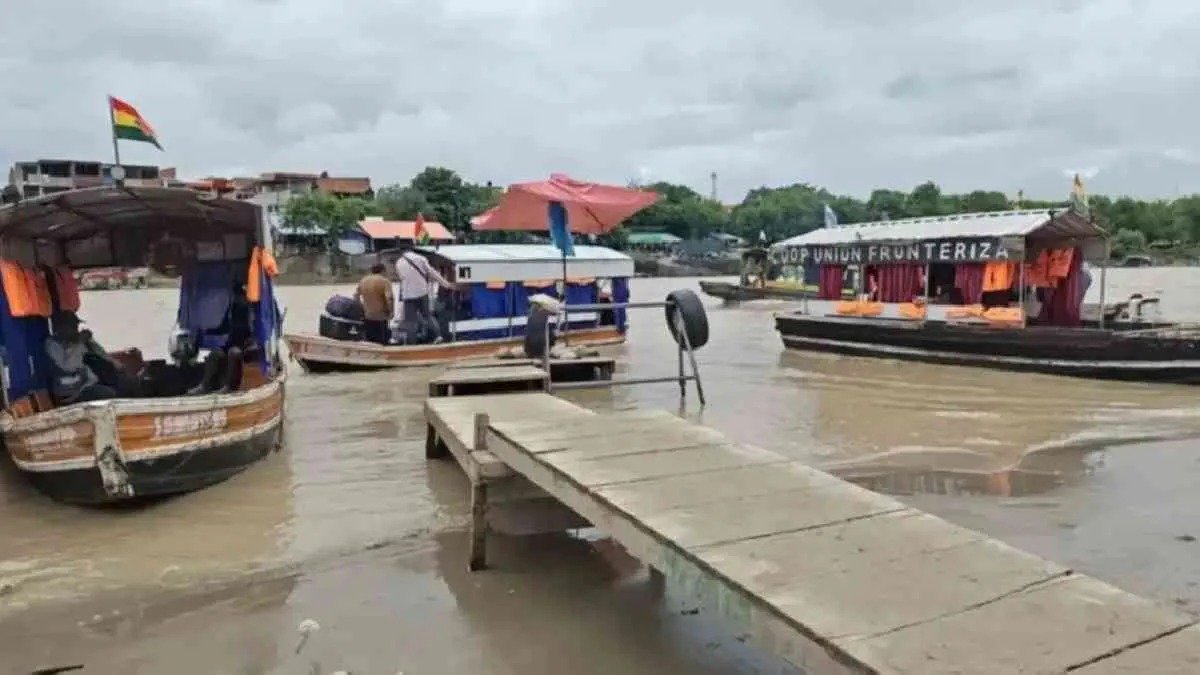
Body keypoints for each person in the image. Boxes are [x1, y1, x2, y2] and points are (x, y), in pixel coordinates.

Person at [189, 283, 256, 394]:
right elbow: (223, 327)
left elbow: (256, 332)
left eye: (239, 296)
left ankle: (230, 386)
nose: (236, 299)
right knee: (215, 353)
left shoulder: (250, 311)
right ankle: (206, 385)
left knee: (233, 353)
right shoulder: (232, 311)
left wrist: (252, 343)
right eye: (235, 296)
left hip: (246, 346)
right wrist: (206, 332)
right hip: (231, 343)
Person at [45, 311, 117, 404]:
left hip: (84, 385)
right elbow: (68, 367)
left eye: (76, 326)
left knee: (118, 383)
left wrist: (90, 342)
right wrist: (79, 343)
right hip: (69, 392)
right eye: (72, 326)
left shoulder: (74, 342)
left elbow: (98, 356)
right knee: (107, 394)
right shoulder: (52, 345)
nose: (76, 329)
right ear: (60, 328)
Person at [395, 244, 456, 344]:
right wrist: (447, 284)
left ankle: (412, 343)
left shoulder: (399, 262)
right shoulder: (420, 258)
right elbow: (433, 273)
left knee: (410, 320)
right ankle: (438, 336)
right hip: (422, 292)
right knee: (427, 315)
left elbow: (402, 278)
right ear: (412, 249)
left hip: (408, 295)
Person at [354, 263, 394, 345]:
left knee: (370, 341)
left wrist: (361, 308)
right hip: (381, 316)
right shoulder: (384, 281)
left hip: (367, 315)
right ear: (383, 270)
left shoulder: (364, 280)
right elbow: (389, 298)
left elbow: (356, 295)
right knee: (382, 342)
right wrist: (391, 312)